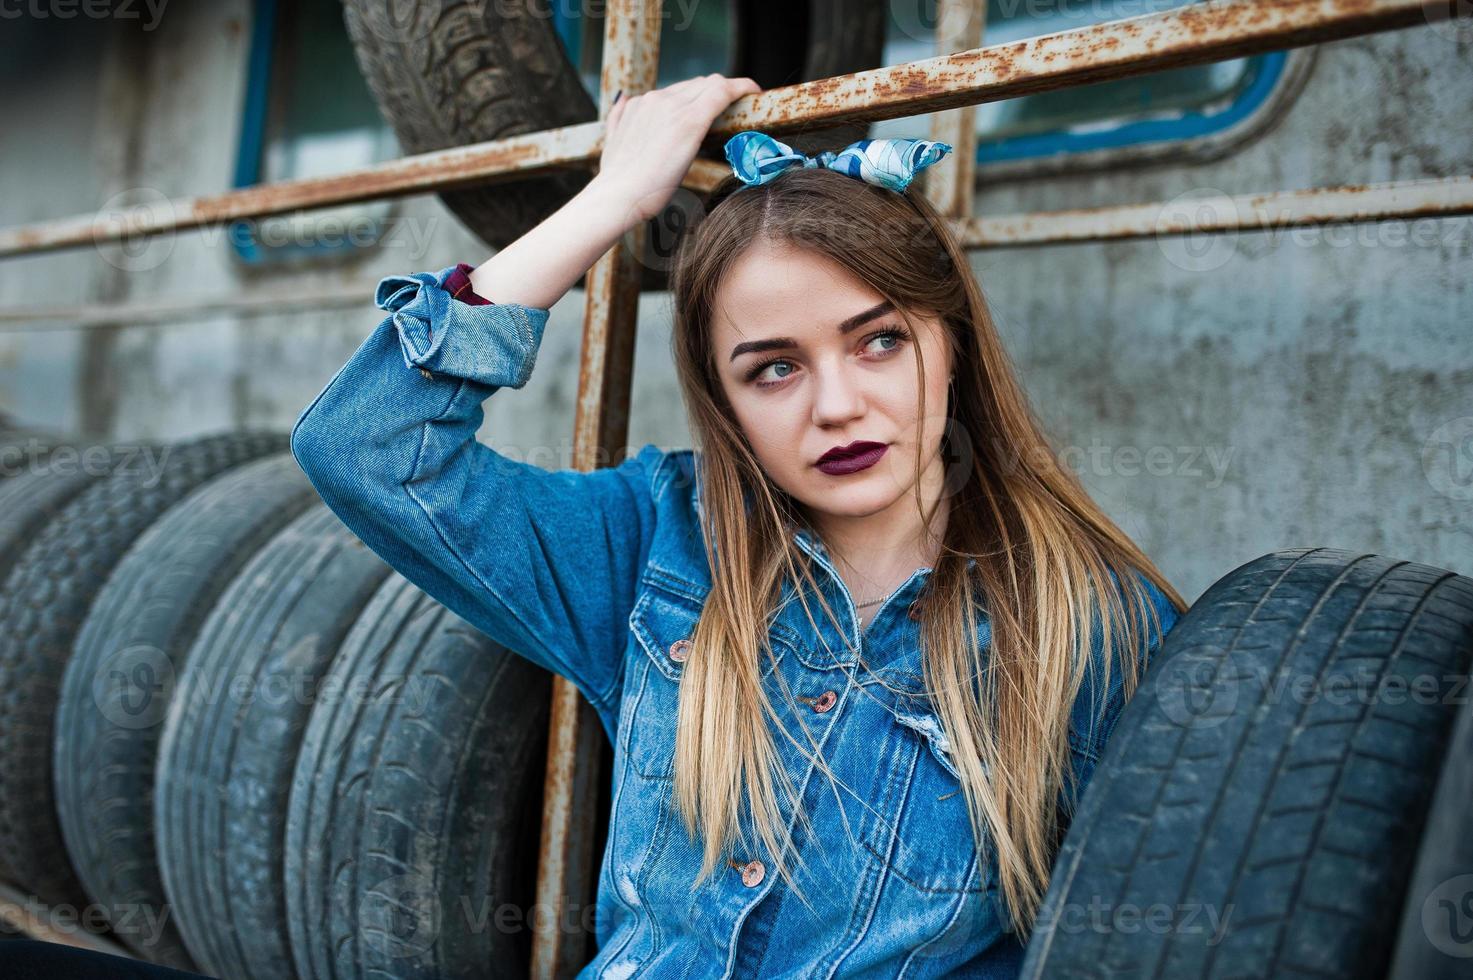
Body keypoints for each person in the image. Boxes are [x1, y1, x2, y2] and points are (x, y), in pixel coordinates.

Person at [290, 73, 1187, 977]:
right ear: (722, 400)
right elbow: (366, 445)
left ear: (948, 342)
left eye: (879, 341)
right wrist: (617, 197)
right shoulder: (650, 545)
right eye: (772, 369)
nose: (838, 407)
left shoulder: (1088, 620)